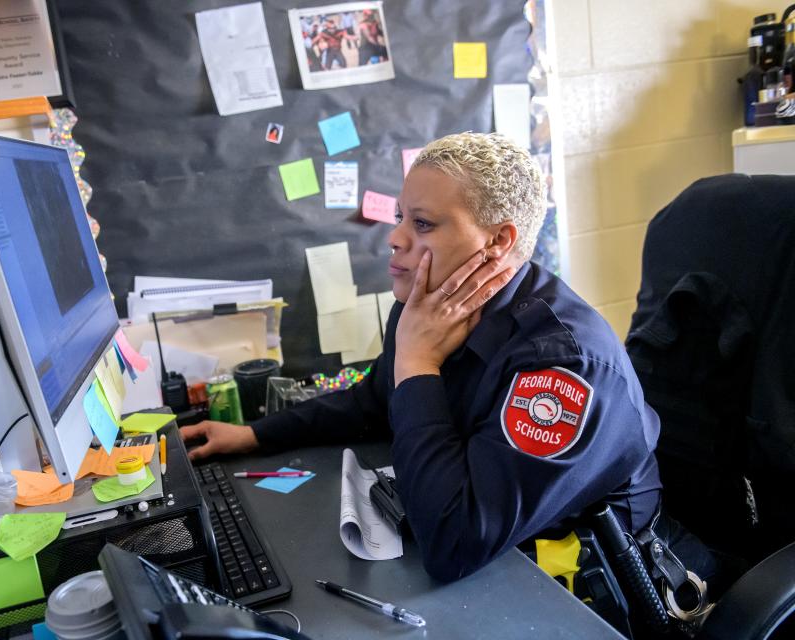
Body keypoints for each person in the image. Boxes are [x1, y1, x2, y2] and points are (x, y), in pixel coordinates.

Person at [181, 133, 725, 602]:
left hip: (603, 584)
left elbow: (455, 541)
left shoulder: (562, 367)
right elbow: (373, 401)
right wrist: (253, 433)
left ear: (499, 241)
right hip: (511, 560)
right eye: (400, 217)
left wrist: (419, 362)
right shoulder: (428, 306)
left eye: (422, 223)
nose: (394, 238)